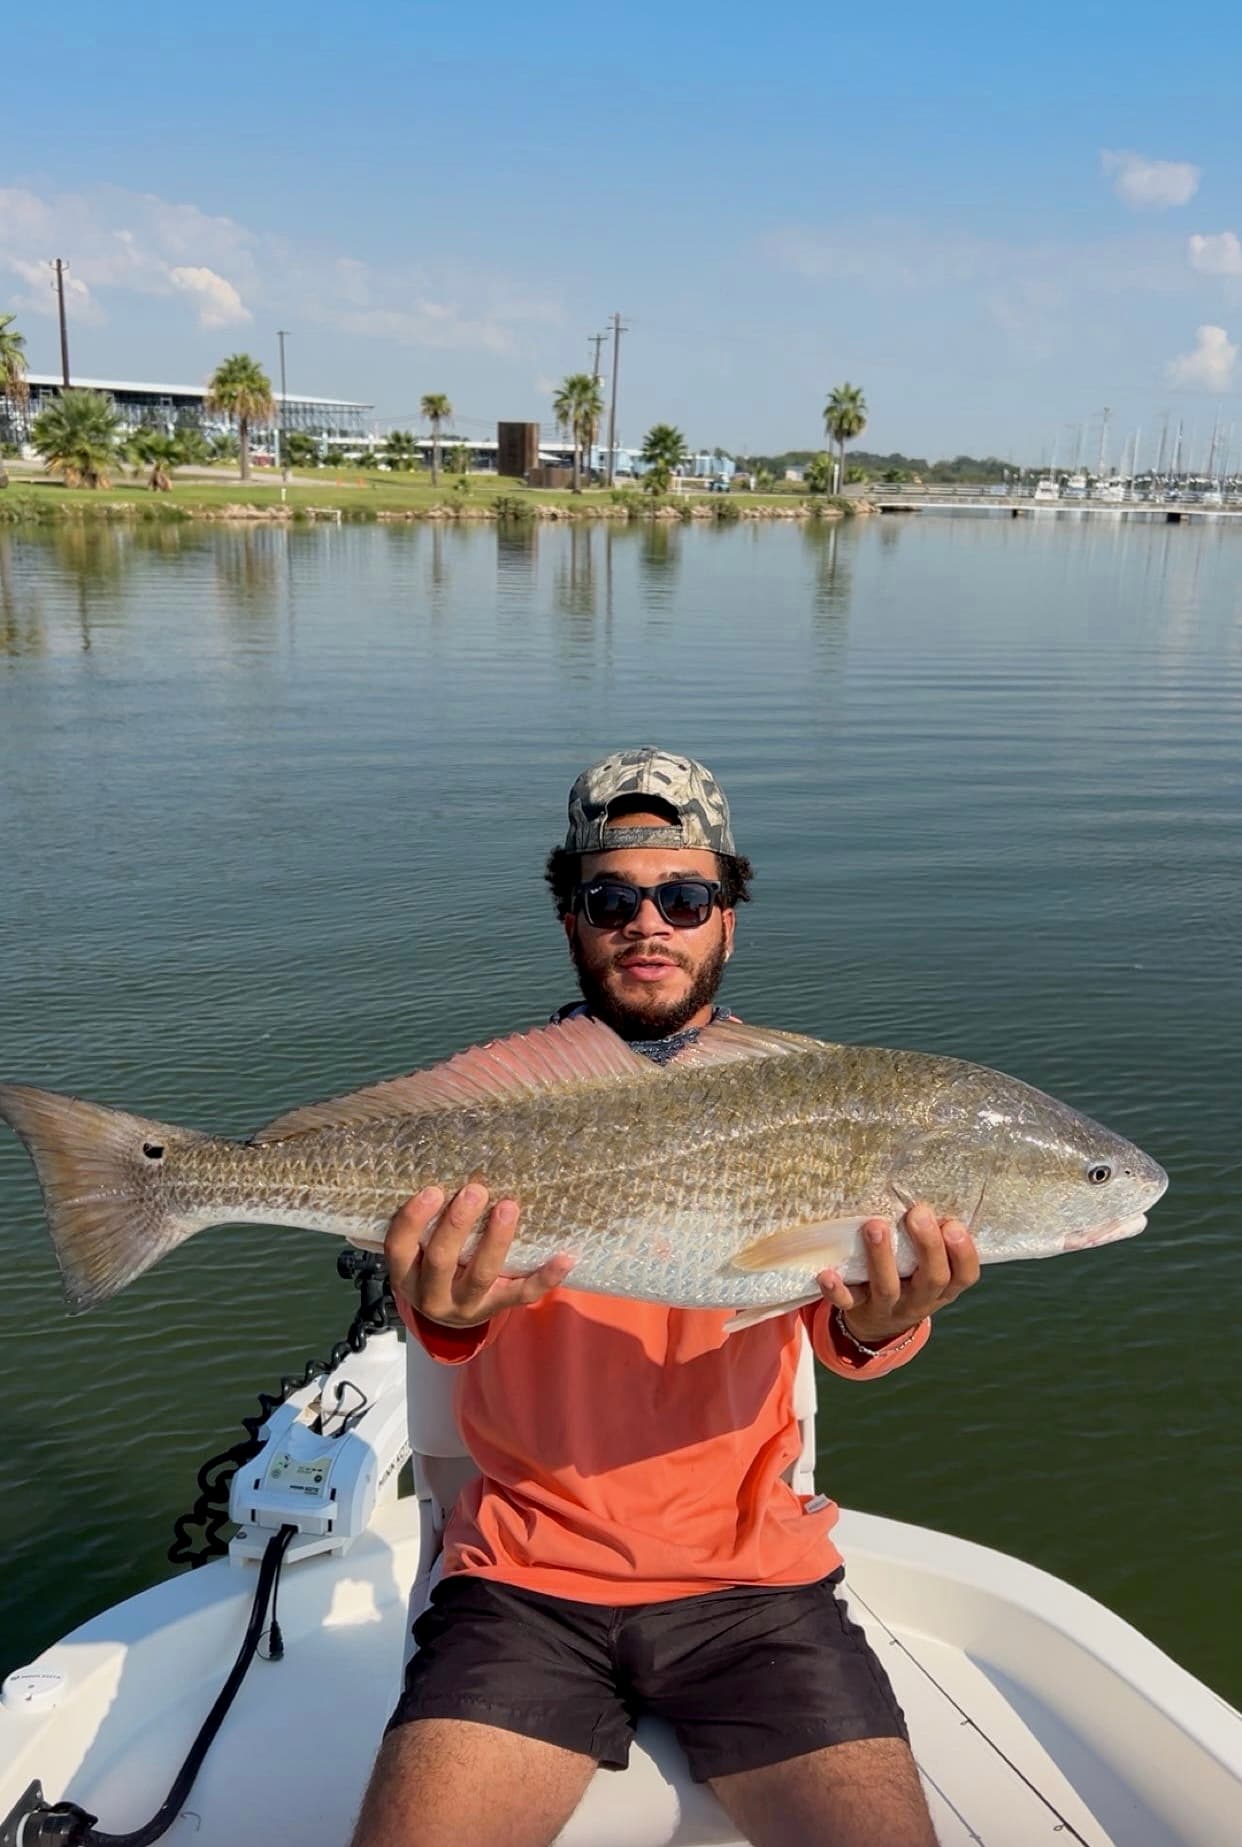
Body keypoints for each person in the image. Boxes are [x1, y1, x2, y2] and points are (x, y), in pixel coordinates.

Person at [351, 748, 980, 1847]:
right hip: (524, 1579)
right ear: (572, 924)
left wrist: (880, 1324)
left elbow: (837, 1314)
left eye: (685, 897)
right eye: (613, 898)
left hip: (757, 1586)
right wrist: (446, 1308)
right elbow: (444, 1324)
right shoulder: (501, 1110)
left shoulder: (813, 1098)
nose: (651, 923)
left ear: (728, 918)